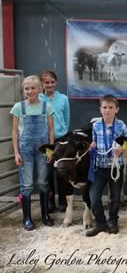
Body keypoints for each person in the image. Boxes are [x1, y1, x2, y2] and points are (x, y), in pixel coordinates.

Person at [11, 75, 55, 230]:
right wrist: (16, 153)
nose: (30, 91)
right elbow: (15, 132)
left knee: (43, 182)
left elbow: (50, 130)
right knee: (27, 184)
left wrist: (50, 151)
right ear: (23, 90)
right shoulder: (18, 107)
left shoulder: (46, 106)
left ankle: (45, 215)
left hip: (43, 149)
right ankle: (27, 218)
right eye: (26, 88)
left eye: (33, 88)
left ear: (39, 89)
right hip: (25, 150)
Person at [86, 94, 127, 237]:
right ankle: (100, 223)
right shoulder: (96, 125)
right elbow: (94, 141)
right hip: (100, 167)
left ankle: (113, 222)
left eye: (111, 107)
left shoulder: (121, 125)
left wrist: (121, 149)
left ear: (116, 109)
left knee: (115, 198)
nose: (107, 110)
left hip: (115, 167)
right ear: (100, 109)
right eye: (104, 107)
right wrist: (92, 146)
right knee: (94, 196)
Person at [39, 70, 70, 213]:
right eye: (46, 82)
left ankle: (62, 200)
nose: (50, 85)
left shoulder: (63, 98)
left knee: (61, 171)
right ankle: (50, 201)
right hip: (46, 140)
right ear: (42, 84)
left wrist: (63, 131)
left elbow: (67, 118)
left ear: (56, 82)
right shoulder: (38, 98)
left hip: (61, 140)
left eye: (52, 82)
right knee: (49, 171)